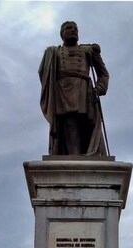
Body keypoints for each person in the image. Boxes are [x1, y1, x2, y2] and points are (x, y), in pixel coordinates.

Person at [38, 21, 109, 156]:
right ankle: (73, 157)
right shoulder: (53, 52)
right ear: (61, 34)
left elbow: (103, 73)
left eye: (75, 29)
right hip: (63, 91)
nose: (73, 30)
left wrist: (100, 87)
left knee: (88, 124)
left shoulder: (88, 51)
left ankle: (89, 153)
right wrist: (52, 89)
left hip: (85, 91)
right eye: (68, 28)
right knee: (69, 123)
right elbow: (44, 73)